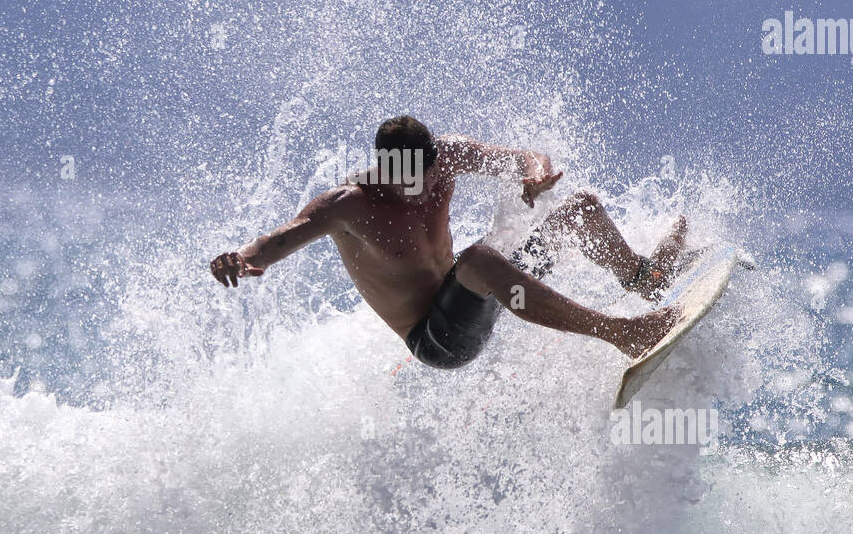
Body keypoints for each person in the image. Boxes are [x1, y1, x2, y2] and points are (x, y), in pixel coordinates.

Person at [210, 115, 684, 368]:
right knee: (478, 258)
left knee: (581, 210)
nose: (420, 191)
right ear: (383, 172)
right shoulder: (347, 206)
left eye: (428, 176)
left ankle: (644, 278)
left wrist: (535, 175)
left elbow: (525, 157)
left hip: (482, 297)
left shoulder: (450, 155)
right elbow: (275, 242)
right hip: (438, 339)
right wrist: (243, 259)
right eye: (405, 183)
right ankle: (623, 333)